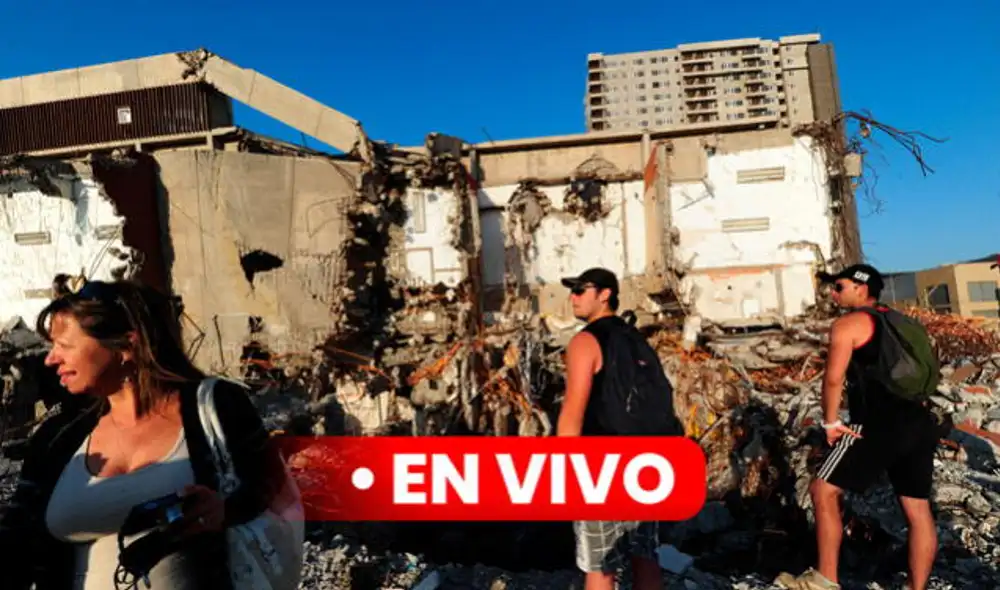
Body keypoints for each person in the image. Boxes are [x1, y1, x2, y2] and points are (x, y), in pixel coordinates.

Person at [0, 275, 290, 590]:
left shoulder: (214, 406)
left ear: (127, 345)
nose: (51, 359)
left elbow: (271, 488)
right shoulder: (57, 437)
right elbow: (17, 547)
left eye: (65, 346)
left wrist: (224, 511)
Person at [775, 264, 939, 590]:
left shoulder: (848, 324)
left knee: (823, 490)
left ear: (861, 288)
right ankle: (916, 587)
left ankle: (824, 580)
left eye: (839, 287)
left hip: (878, 423)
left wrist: (831, 422)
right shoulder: (901, 322)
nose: (833, 294)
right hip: (920, 421)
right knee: (917, 508)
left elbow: (833, 378)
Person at [556, 267, 664, 590]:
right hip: (646, 462)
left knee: (601, 564)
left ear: (604, 295)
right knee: (645, 556)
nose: (573, 297)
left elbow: (572, 412)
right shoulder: (637, 340)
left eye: (581, 290)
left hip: (602, 464)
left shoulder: (584, 342)